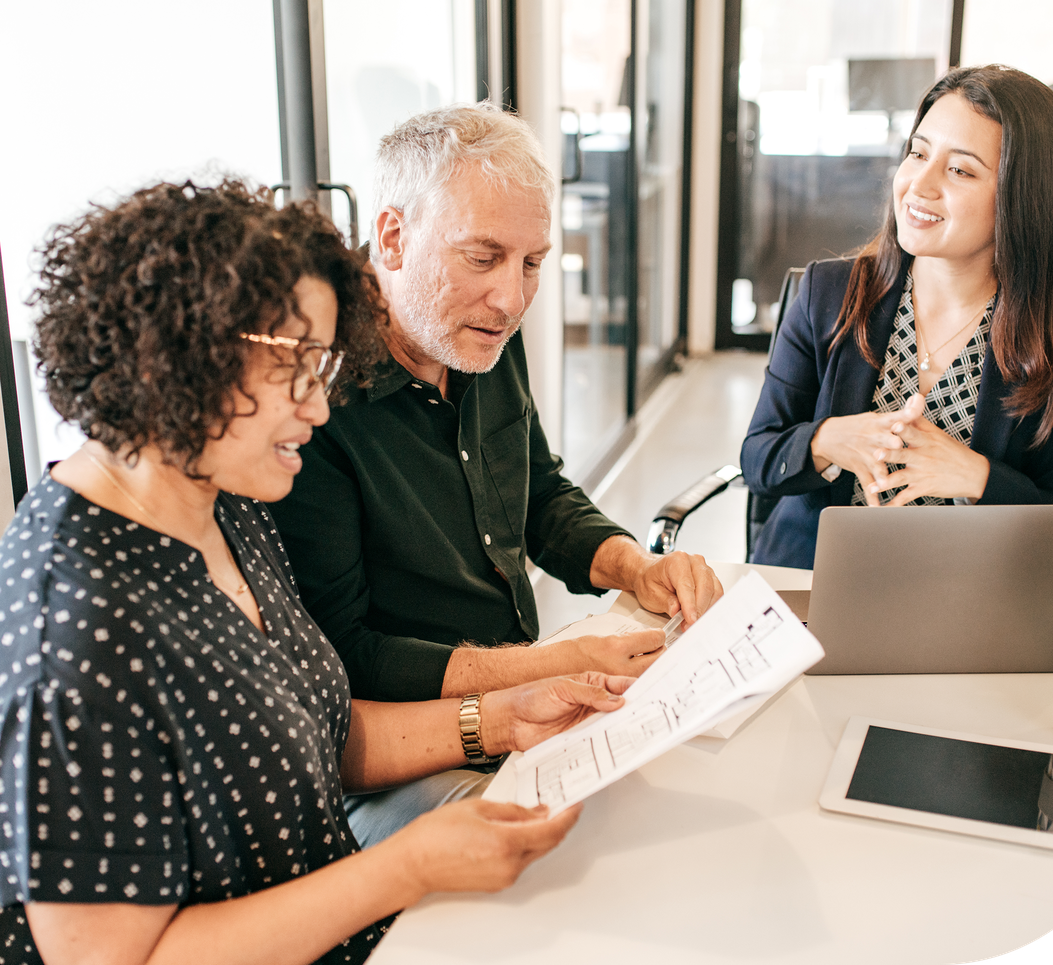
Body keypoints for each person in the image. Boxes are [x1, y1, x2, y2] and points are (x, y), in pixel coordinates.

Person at [0, 179, 640, 965]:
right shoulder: (79, 628)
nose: (320, 405)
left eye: (322, 365)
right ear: (181, 352)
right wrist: (402, 866)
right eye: (297, 366)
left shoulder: (222, 503)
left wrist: (507, 716)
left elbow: (316, 734)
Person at [269, 102, 721, 706]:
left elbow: (537, 495)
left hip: (523, 690)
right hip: (416, 734)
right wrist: (546, 666)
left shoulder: (476, 329)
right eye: (482, 258)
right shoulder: (312, 401)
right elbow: (347, 657)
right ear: (394, 238)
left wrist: (637, 568)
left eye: (532, 263)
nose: (511, 299)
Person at [740, 65, 1053, 569]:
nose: (918, 185)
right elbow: (758, 460)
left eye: (960, 170)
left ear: (1023, 197)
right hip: (810, 587)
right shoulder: (828, 294)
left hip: (966, 598)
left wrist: (977, 478)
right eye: (918, 153)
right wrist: (829, 440)